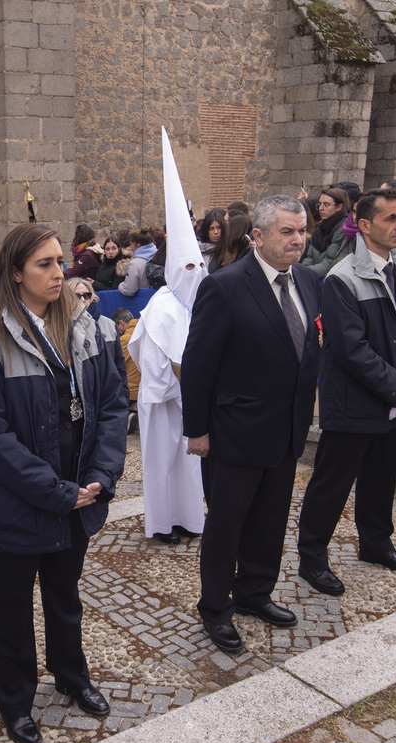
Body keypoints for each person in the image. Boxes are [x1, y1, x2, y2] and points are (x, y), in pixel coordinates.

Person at [0, 222, 128, 743]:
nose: (61, 273)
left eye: (61, 262)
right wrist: (53, 490)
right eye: (45, 264)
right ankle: (16, 701)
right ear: (15, 272)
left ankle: (72, 676)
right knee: (9, 606)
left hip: (78, 493)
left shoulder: (92, 330)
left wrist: (101, 473)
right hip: (19, 500)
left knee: (64, 593)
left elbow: (111, 407)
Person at [180, 196, 319, 655]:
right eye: (287, 232)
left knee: (270, 520)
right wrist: (197, 430)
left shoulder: (310, 282)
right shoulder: (225, 287)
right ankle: (215, 608)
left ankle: (255, 593)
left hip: (285, 431)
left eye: (302, 231)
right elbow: (199, 364)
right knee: (226, 527)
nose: (297, 240)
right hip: (235, 432)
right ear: (257, 236)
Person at [295, 188, 396, 597]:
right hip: (354, 402)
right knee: (332, 482)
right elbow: (353, 350)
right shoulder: (342, 278)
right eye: (390, 219)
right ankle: (312, 557)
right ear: (366, 225)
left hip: (395, 400)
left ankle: (376, 543)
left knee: (381, 478)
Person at [129, 130, 207, 547]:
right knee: (162, 461)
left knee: (189, 462)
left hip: (188, 396)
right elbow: (147, 351)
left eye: (200, 265)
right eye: (188, 265)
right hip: (163, 399)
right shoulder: (161, 306)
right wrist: (177, 383)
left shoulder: (200, 305)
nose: (195, 272)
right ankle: (162, 523)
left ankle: (190, 517)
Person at [300, 187, 350, 277]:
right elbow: (309, 257)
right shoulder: (319, 229)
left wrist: (303, 273)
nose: (320, 208)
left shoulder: (342, 229)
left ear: (339, 207)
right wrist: (301, 270)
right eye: (319, 204)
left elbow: (329, 262)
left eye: (326, 204)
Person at [118, 228, 156, 296]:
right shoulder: (159, 257)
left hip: (143, 301)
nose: (130, 246)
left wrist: (120, 285)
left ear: (138, 245)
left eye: (131, 244)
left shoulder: (134, 264)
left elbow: (129, 290)